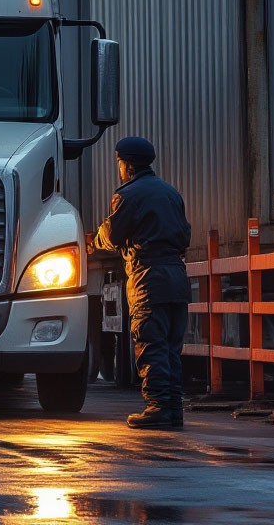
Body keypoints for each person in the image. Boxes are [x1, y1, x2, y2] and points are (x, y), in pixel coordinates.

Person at [91, 136, 192, 430]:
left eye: (119, 163)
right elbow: (184, 236)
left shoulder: (128, 195)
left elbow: (111, 236)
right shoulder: (171, 193)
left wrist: (94, 240)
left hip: (149, 277)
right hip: (176, 277)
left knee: (151, 344)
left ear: (128, 164)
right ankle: (174, 409)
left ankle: (158, 407)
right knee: (171, 348)